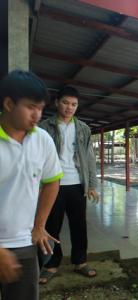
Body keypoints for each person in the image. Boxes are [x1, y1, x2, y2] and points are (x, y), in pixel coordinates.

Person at [0, 70, 63, 300]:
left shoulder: (42, 139)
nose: (37, 115)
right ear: (8, 104)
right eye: (31, 107)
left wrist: (39, 225)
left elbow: (52, 181)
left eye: (41, 108)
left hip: (23, 242)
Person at [39, 86, 99, 283]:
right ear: (57, 103)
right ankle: (51, 264)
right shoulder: (44, 127)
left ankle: (80, 261)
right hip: (51, 184)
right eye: (65, 103)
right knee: (51, 225)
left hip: (76, 184)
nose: (69, 107)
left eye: (74, 104)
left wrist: (91, 184)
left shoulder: (83, 128)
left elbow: (90, 158)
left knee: (78, 225)